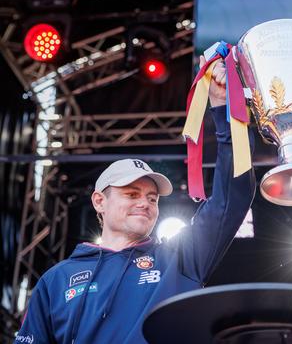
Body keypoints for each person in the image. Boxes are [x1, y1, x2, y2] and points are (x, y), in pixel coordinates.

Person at [14, 56, 255, 344]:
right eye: (131, 194)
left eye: (152, 198)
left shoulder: (179, 258)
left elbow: (233, 196)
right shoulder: (56, 280)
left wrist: (222, 107)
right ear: (99, 201)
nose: (145, 203)